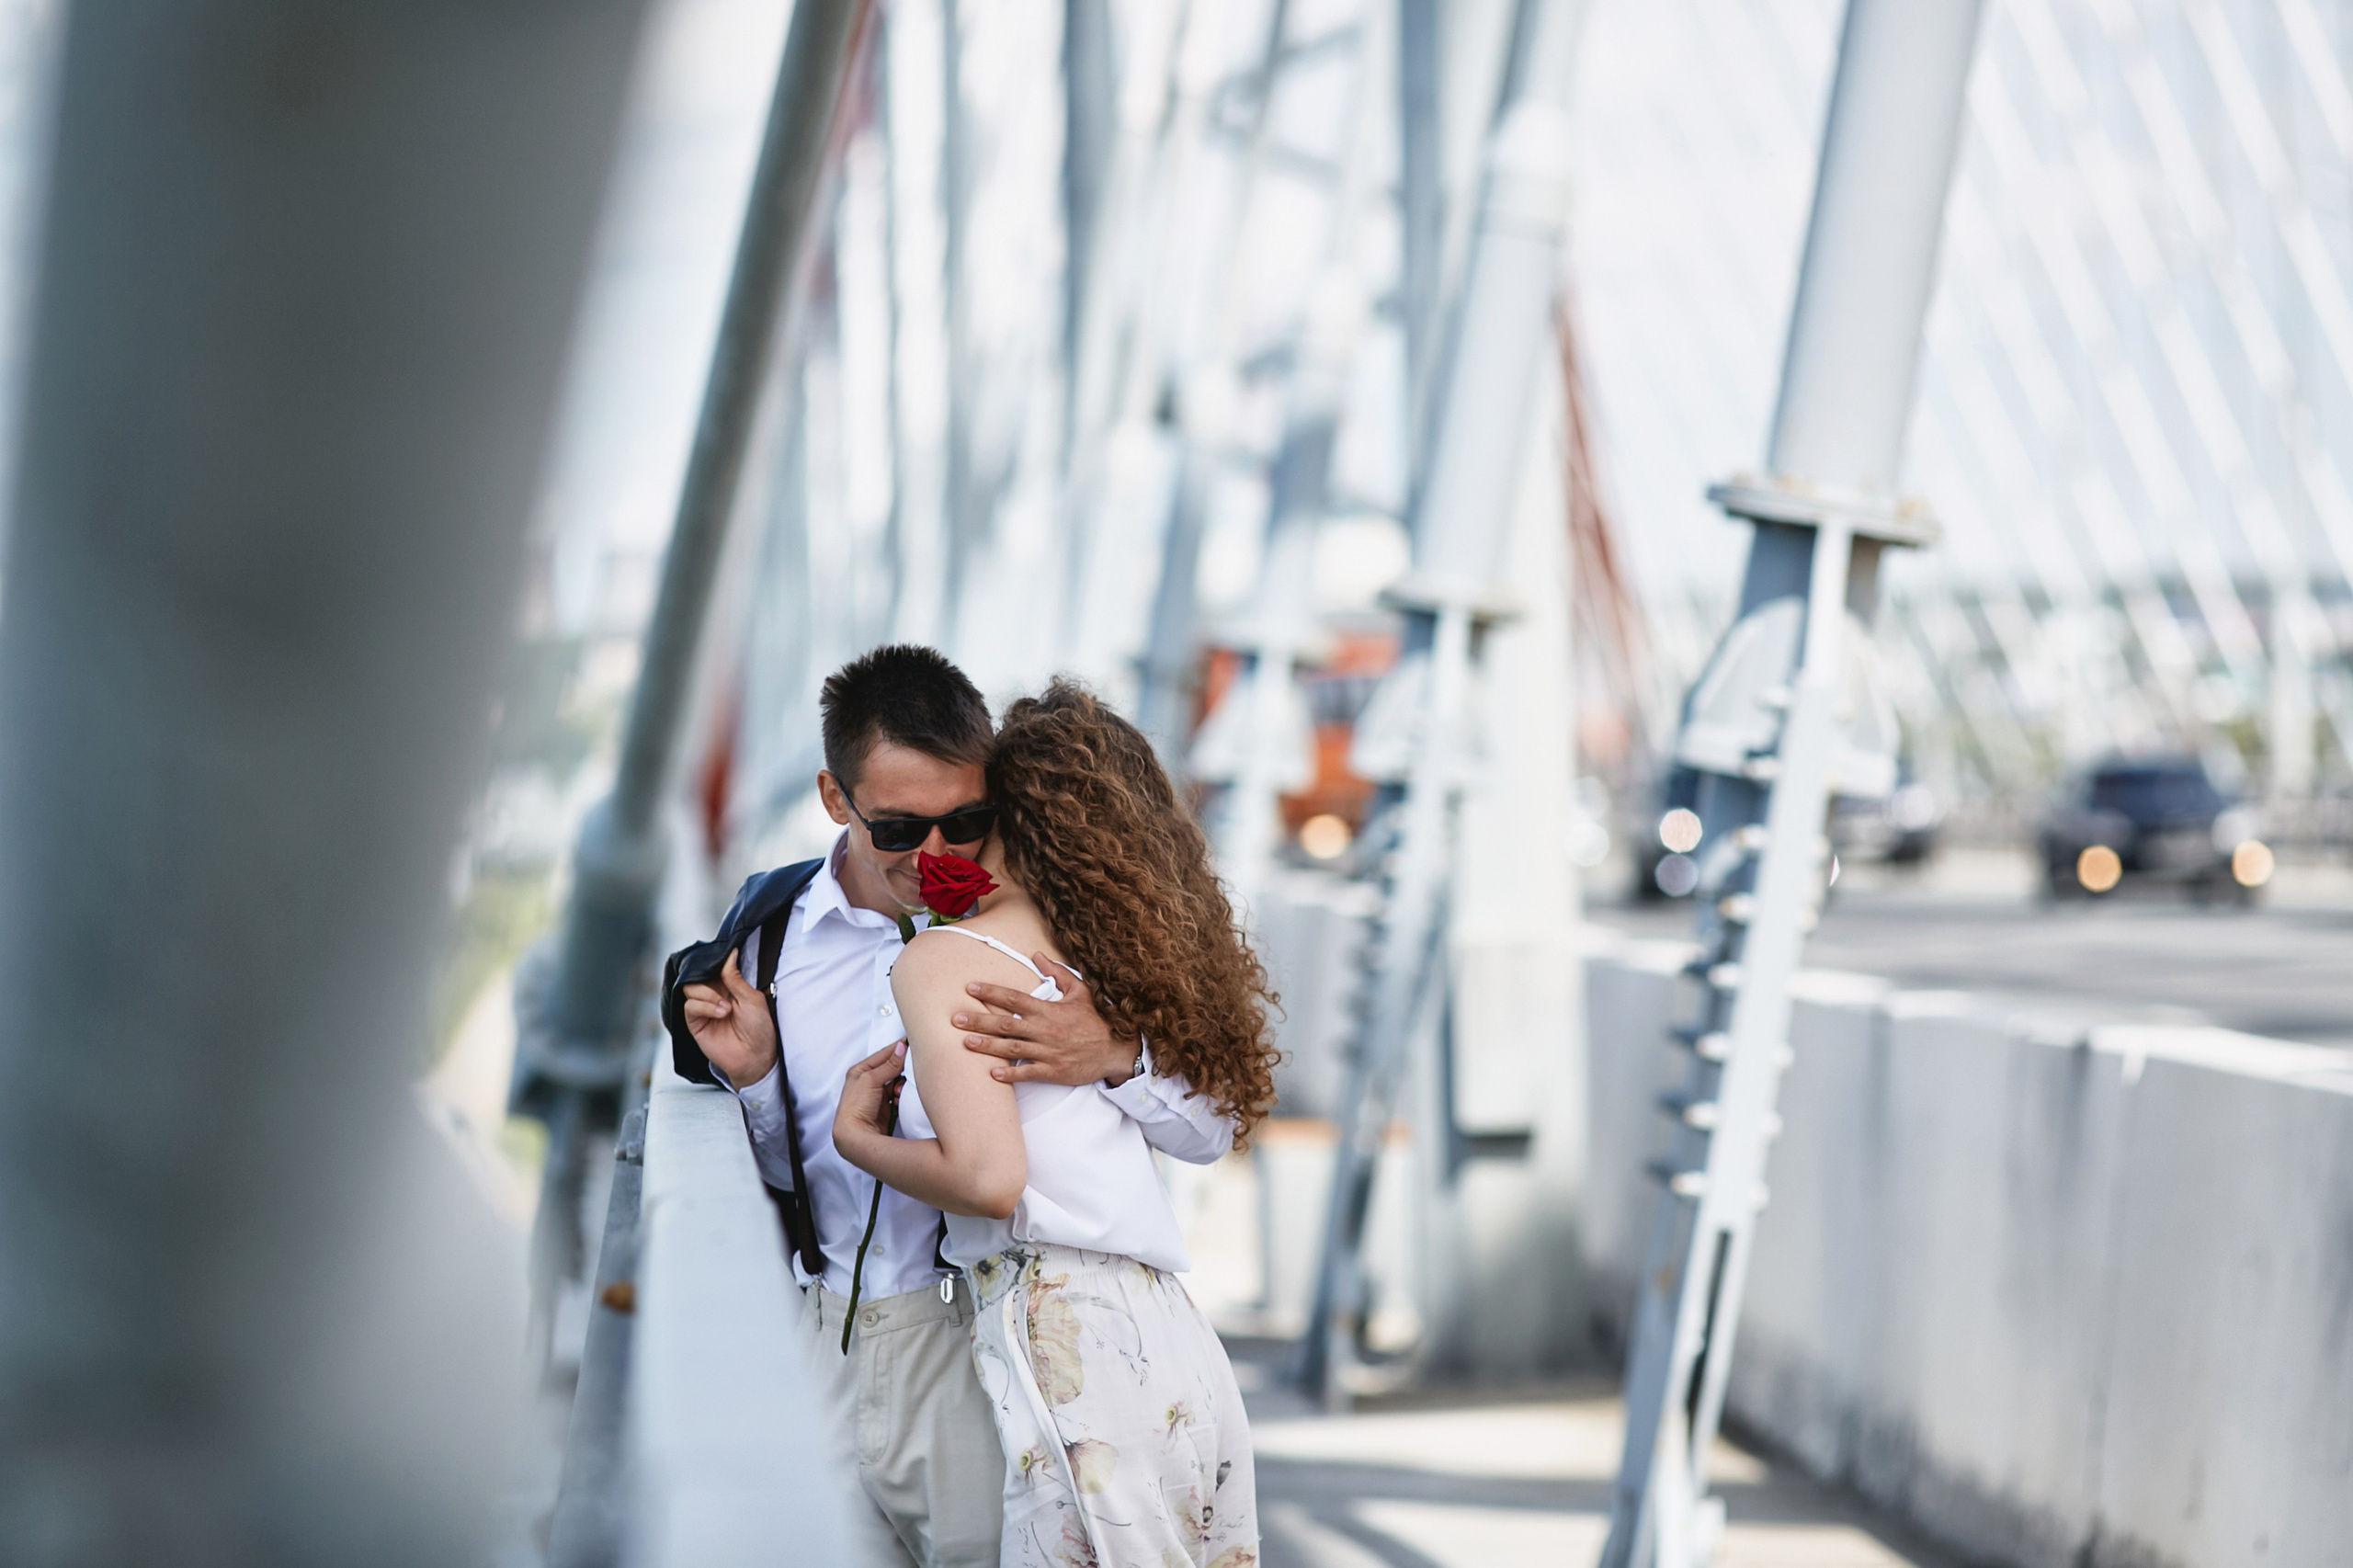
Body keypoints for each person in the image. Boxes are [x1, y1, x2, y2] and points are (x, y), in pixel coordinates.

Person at [665, 646, 1236, 1568]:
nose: (934, 856)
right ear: (833, 796)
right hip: (827, 1339)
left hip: (979, 1349)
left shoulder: (1043, 935)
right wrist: (760, 1081)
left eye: (964, 820)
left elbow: (1211, 1126)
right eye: (896, 828)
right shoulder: (769, 938)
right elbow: (790, 1178)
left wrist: (1119, 1055)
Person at [832, 681, 1276, 1568]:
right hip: (1171, 1337)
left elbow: (992, 1180)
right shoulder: (1102, 961)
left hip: (1064, 1335)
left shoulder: (945, 960)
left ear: (1014, 818)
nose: (938, 849)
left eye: (967, 820)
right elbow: (1222, 1126)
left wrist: (863, 1143)